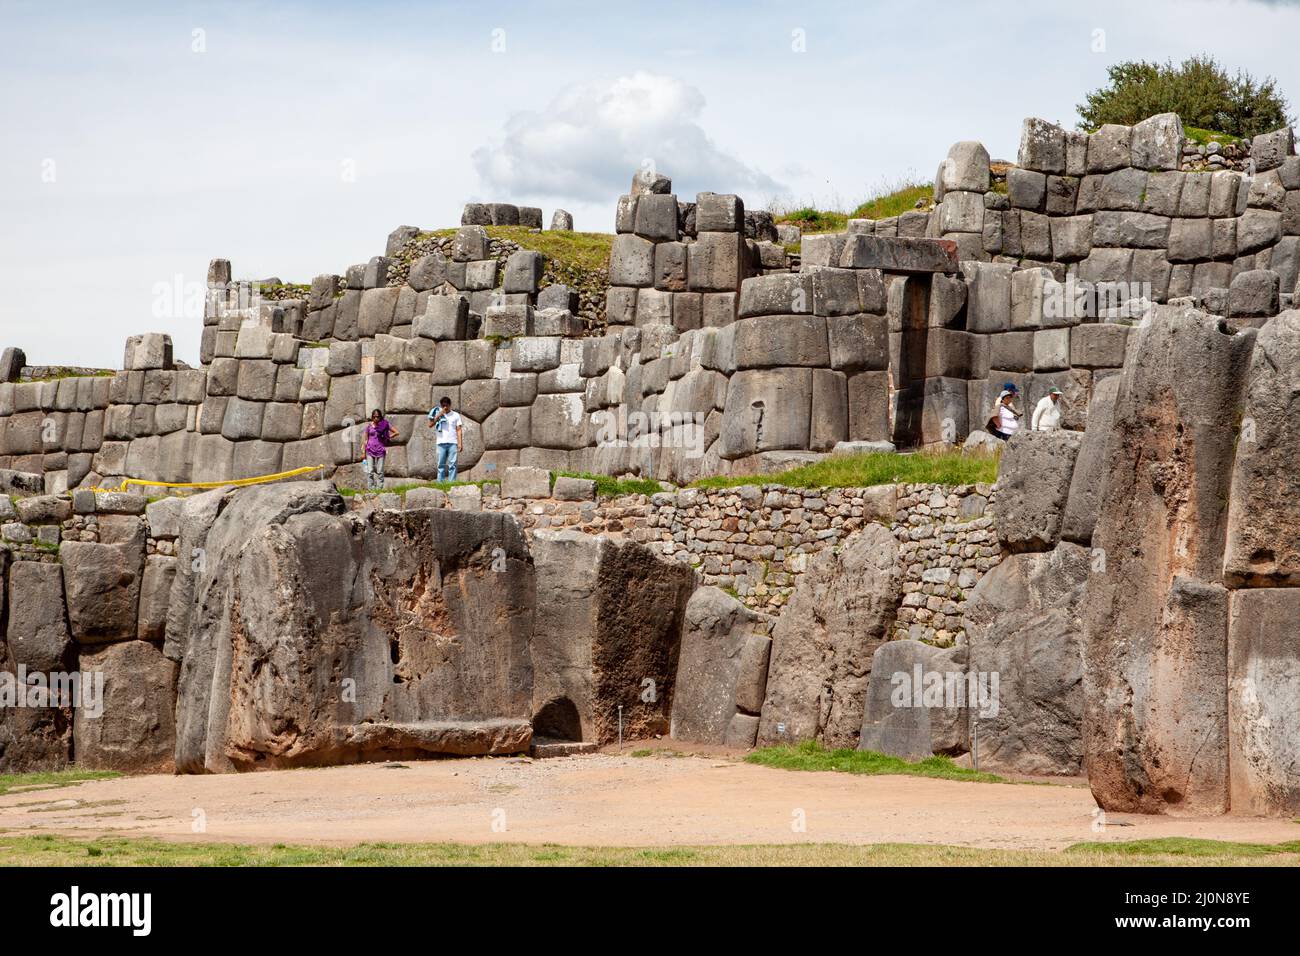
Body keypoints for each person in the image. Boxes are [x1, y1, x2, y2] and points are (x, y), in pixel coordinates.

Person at [361, 409, 399, 491]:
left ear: (380, 417)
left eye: (377, 417)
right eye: (374, 417)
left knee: (380, 471)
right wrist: (363, 452)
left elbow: (396, 432)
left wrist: (388, 437)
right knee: (370, 471)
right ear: (372, 417)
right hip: (370, 450)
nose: (376, 418)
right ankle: (371, 489)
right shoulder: (369, 427)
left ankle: (379, 489)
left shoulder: (385, 425)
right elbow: (365, 440)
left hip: (380, 450)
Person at [427, 395, 464, 481]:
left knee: (453, 464)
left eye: (447, 405)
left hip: (453, 443)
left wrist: (460, 444)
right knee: (441, 464)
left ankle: (452, 483)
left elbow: (459, 430)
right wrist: (439, 415)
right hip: (440, 443)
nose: (445, 407)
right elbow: (430, 425)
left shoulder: (456, 415)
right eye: (443, 405)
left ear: (450, 405)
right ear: (441, 405)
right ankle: (440, 484)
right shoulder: (437, 413)